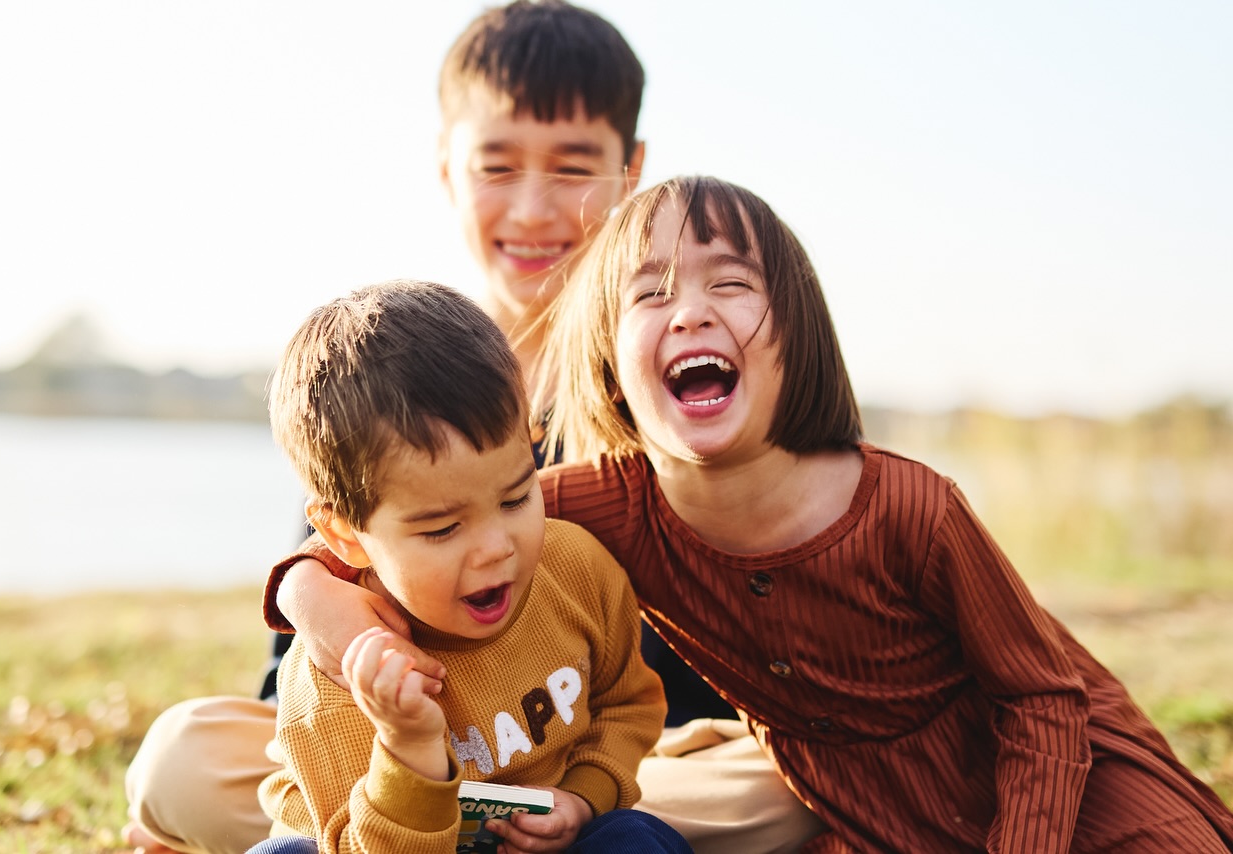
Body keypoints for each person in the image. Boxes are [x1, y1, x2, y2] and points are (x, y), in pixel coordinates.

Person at [276, 176, 1233, 852]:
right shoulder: (581, 507)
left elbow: (1042, 702)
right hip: (867, 818)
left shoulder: (909, 509)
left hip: (1073, 800)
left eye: (729, 283)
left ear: (795, 333)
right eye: (650, 295)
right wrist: (323, 607)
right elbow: (385, 536)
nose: (690, 311)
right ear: (609, 363)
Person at [123, 4, 819, 853]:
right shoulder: (393, 368)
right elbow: (294, 689)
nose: (532, 209)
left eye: (573, 168)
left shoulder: (662, 375)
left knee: (777, 787)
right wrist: (320, 600)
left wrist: (595, 785)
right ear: (447, 168)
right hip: (410, 763)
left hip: (599, 755)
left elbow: (686, 665)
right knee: (182, 755)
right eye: (496, 166)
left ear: (632, 170)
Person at [244, 279, 689, 854]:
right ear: (342, 536)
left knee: (638, 837)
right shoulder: (330, 683)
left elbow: (626, 703)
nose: (495, 548)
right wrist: (409, 748)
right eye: (442, 529)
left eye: (514, 499)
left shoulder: (577, 569)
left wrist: (582, 798)